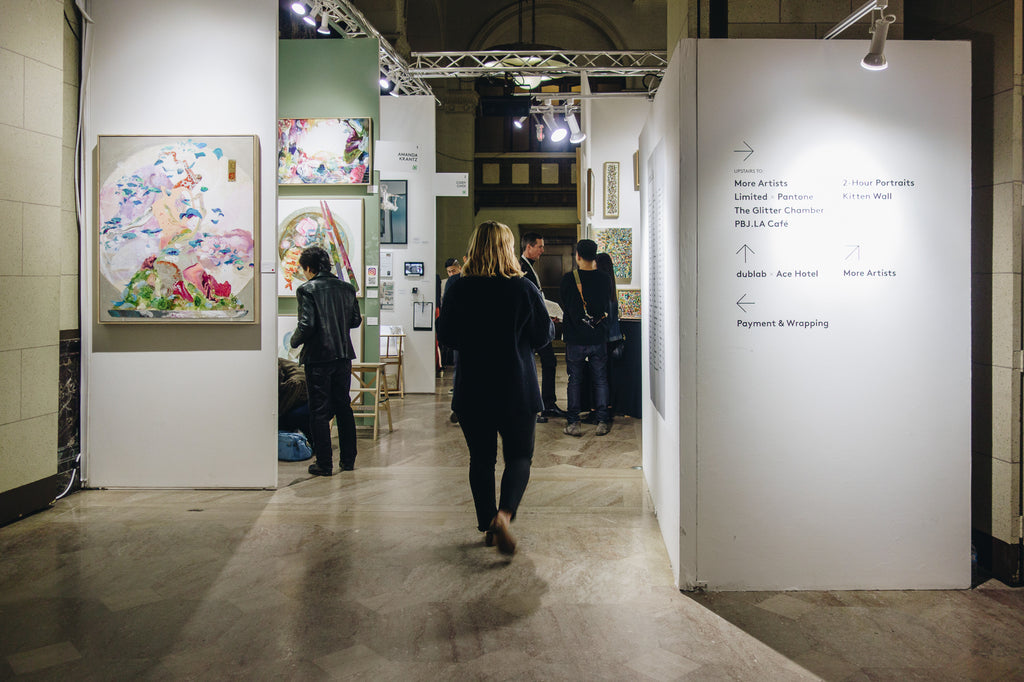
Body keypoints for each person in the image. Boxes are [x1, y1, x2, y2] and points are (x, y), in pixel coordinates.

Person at [437, 221, 554, 555]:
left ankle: (487, 521)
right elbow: (543, 336)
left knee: (481, 459)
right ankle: (504, 515)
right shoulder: (523, 287)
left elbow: (446, 336)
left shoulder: (457, 286)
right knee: (519, 457)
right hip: (516, 386)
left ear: (474, 246)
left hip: (473, 387)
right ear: (508, 247)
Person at [290, 245, 362, 476]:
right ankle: (348, 460)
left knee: (319, 410)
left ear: (309, 268)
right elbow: (355, 321)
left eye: (304, 270)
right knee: (343, 407)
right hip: (342, 355)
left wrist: (294, 341)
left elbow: (306, 325)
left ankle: (324, 463)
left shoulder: (307, 290)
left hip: (318, 357)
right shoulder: (347, 288)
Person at [559, 239, 616, 437]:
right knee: (600, 379)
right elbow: (606, 304)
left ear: (578, 256)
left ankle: (574, 423)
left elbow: (565, 304)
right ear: (595, 255)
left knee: (574, 379)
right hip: (598, 337)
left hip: (575, 337)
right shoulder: (604, 279)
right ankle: (602, 420)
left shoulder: (568, 279)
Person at [519, 232, 566, 423]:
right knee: (541, 363)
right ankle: (543, 405)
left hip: (539, 321)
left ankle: (547, 404)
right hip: (532, 326)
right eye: (539, 246)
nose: (542, 250)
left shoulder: (528, 266)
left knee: (549, 362)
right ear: (528, 247)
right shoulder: (521, 267)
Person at [278, 356, 312, 442]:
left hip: (310, 403)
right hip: (311, 399)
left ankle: (313, 444)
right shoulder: (283, 365)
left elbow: (284, 406)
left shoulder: (295, 382)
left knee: (291, 417)